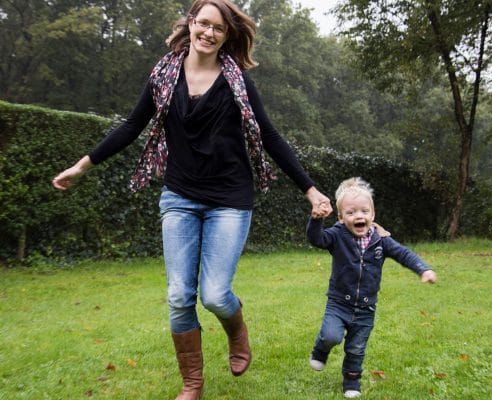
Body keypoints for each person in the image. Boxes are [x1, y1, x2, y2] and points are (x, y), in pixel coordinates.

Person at [52, 1, 331, 399]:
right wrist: (82, 166)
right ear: (191, 24)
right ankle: (193, 383)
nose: (209, 32)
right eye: (203, 23)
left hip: (230, 200)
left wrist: (310, 188)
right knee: (180, 294)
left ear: (227, 36)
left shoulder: (237, 82)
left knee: (215, 294)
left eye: (218, 28)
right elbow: (133, 124)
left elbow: (269, 137)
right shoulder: (164, 75)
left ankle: (236, 329)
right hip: (180, 196)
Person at [306, 177, 437, 399]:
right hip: (338, 302)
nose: (359, 216)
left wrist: (422, 269)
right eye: (351, 212)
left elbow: (403, 254)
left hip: (366, 308)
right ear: (340, 217)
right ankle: (321, 350)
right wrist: (316, 220)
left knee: (356, 348)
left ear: (372, 215)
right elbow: (316, 239)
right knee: (331, 335)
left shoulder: (381, 240)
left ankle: (351, 382)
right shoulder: (337, 236)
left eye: (364, 211)